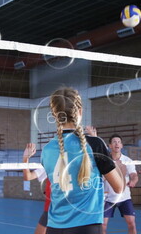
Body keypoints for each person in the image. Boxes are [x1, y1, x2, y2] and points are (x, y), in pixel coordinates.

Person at [41, 87, 124, 234]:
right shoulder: (95, 144)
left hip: (54, 227)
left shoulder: (46, 150)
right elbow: (118, 187)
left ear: (54, 115)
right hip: (87, 226)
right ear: (79, 112)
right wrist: (107, 154)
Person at [102, 134, 138, 234]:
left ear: (121, 145)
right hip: (108, 198)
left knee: (131, 223)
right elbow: (102, 177)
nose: (117, 144)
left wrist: (133, 181)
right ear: (110, 145)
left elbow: (134, 175)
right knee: (102, 225)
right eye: (114, 142)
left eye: (119, 142)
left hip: (124, 197)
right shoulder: (105, 161)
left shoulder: (127, 161)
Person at [22, 143, 50, 234]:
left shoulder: (75, 163)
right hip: (50, 210)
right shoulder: (49, 164)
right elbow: (28, 177)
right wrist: (25, 158)